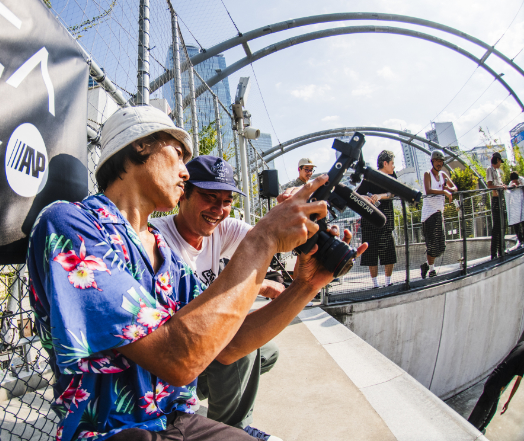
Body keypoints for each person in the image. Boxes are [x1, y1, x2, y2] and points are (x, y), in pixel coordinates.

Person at [27, 105, 366, 441]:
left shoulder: (165, 253)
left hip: (175, 420)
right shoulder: (71, 224)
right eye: (178, 154)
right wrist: (263, 239)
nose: (186, 172)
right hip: (111, 433)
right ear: (139, 144)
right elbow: (177, 360)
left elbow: (228, 346)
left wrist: (305, 286)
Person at [150, 155, 284, 436]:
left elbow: (270, 238)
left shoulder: (221, 228)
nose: (219, 210)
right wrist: (257, 287)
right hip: (167, 356)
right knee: (238, 348)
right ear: (183, 194)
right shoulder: (158, 238)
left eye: (226, 201)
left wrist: (294, 216)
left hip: (198, 346)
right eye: (209, 197)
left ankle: (203, 397)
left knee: (267, 352)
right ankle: (231, 430)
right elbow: (199, 313)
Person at [356, 150, 398, 288]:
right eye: (392, 163)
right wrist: (366, 198)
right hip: (369, 220)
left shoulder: (392, 176)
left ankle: (388, 282)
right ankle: (375, 284)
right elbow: (356, 194)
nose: (394, 166)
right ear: (385, 163)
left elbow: (394, 193)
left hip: (387, 219)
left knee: (389, 251)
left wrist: (380, 196)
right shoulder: (370, 176)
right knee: (371, 253)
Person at [468, 340, 524, 433]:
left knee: (489, 413)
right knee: (480, 416)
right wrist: (508, 401)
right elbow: (517, 381)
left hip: (494, 379)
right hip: (496, 385)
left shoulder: (522, 344)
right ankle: (470, 432)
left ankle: (477, 430)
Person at [420, 150, 457, 279]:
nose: (439, 163)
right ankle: (432, 270)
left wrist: (448, 189)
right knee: (432, 244)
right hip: (429, 214)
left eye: (441, 161)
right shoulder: (427, 174)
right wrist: (444, 192)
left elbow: (455, 188)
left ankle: (426, 265)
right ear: (432, 161)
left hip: (439, 212)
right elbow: (428, 190)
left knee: (441, 246)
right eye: (437, 161)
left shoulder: (443, 175)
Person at [487, 152, 507, 259]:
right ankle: (493, 253)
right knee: (496, 227)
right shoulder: (490, 169)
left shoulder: (497, 171)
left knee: (502, 225)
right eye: (500, 161)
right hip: (495, 200)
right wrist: (500, 187)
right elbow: (489, 185)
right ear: (497, 160)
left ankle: (501, 250)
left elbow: (498, 184)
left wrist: (502, 186)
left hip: (501, 199)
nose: (500, 164)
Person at [506, 172, 524, 250]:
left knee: (523, 222)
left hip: (522, 204)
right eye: (514, 181)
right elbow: (509, 192)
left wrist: (520, 185)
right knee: (516, 224)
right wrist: (512, 187)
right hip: (515, 207)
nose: (515, 182)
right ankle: (520, 239)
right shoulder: (511, 183)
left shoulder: (522, 180)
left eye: (516, 180)